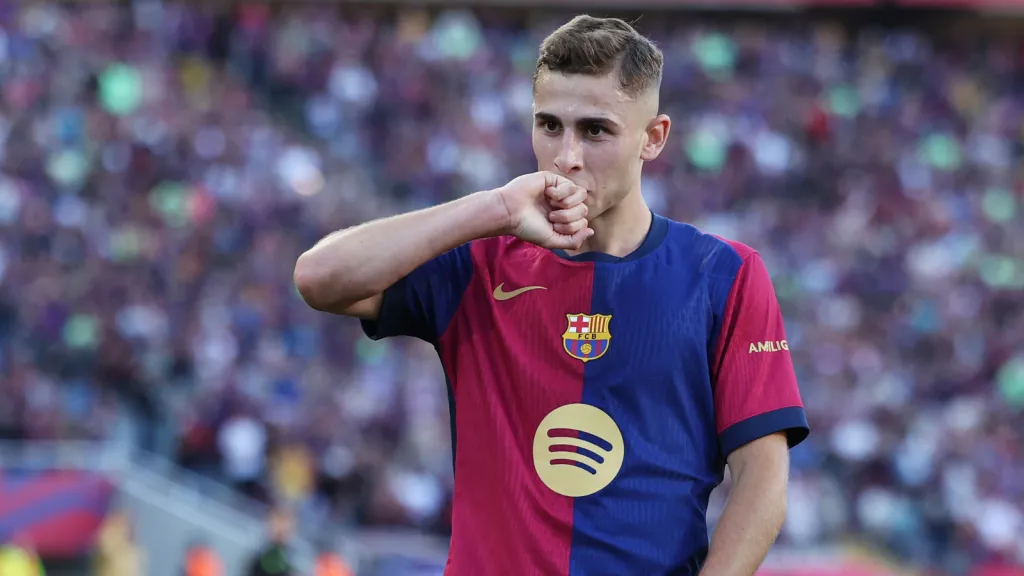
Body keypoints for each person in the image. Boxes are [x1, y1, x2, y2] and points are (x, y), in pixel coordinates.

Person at [294, 14, 808, 576]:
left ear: (653, 137)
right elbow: (319, 278)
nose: (567, 156)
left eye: (595, 130)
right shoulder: (479, 261)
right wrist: (494, 210)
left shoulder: (724, 275)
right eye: (549, 125)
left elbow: (762, 482)